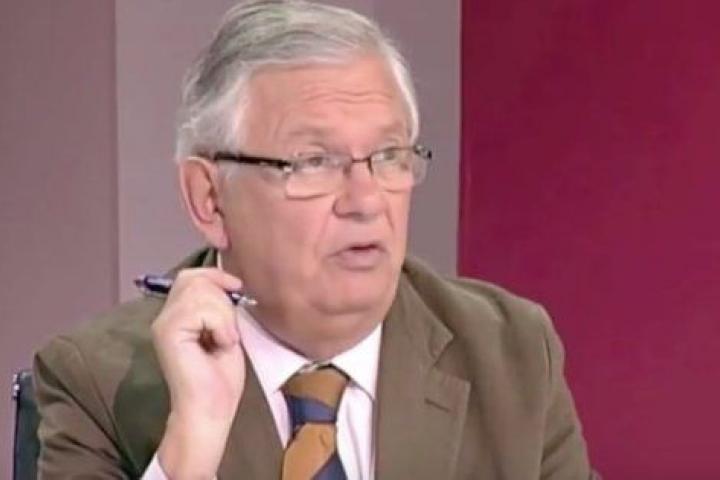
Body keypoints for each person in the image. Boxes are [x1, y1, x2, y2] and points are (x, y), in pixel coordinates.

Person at [33, 1, 598, 478]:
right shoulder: (97, 384)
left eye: (389, 156)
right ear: (209, 198)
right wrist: (191, 444)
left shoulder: (513, 354)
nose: (366, 200)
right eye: (313, 162)